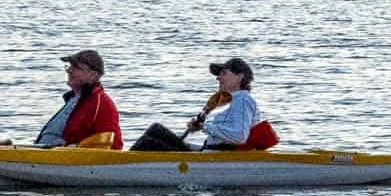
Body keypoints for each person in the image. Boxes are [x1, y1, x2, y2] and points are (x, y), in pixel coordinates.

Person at [132, 57, 267, 151]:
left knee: (148, 142)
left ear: (240, 76)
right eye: (219, 75)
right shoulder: (233, 101)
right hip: (208, 151)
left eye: (224, 74)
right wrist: (198, 127)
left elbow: (239, 137)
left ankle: (119, 166)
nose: (218, 78)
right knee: (156, 130)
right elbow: (223, 135)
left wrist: (204, 126)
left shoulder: (242, 100)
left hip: (216, 159)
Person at [35, 48, 122, 149]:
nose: (69, 71)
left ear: (93, 75)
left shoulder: (102, 103)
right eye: (70, 66)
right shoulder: (73, 100)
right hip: (45, 154)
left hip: (64, 160)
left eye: (76, 68)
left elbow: (114, 146)